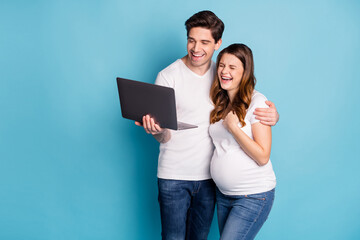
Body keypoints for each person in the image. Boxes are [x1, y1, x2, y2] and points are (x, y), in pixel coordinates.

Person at [135, 11, 279, 240]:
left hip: (209, 182)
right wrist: (159, 131)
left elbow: (249, 97)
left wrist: (272, 114)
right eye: (191, 40)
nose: (196, 48)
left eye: (204, 42)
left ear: (217, 44)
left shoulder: (222, 73)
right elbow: (164, 136)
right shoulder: (168, 76)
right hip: (174, 176)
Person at [209, 43, 276, 240]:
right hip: (224, 195)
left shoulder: (257, 103)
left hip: (253, 196)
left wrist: (234, 129)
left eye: (232, 67)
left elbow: (263, 156)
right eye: (221, 65)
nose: (224, 71)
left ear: (245, 72)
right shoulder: (220, 101)